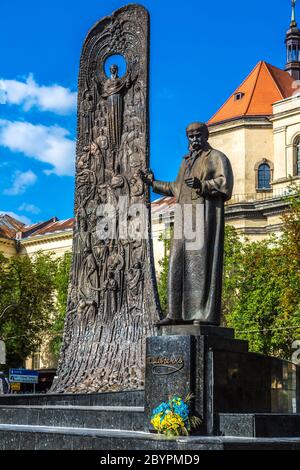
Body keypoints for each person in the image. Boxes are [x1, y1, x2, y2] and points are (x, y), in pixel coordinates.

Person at [143, 122, 233, 326]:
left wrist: (203, 185)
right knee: (176, 263)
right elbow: (176, 188)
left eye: (198, 136)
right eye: (191, 137)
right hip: (183, 219)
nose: (194, 140)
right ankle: (174, 314)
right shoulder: (185, 162)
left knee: (199, 266)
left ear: (206, 136)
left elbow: (225, 183)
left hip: (202, 218)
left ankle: (202, 315)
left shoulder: (217, 157)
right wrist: (153, 183)